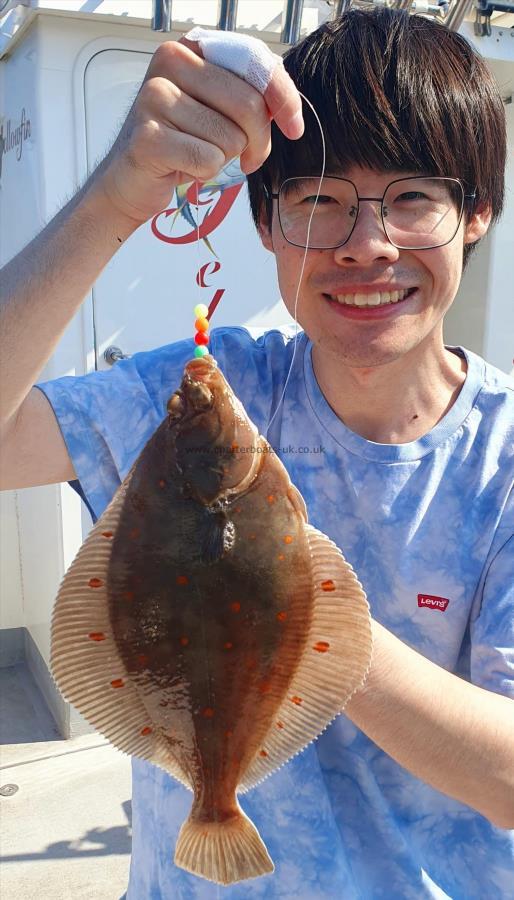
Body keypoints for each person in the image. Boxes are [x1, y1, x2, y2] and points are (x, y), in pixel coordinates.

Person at [1, 7, 513, 898]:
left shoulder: (501, 463)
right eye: (318, 201)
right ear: (266, 224)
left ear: (477, 213)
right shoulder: (201, 393)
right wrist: (115, 198)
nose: (368, 245)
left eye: (413, 197)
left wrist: (302, 615)